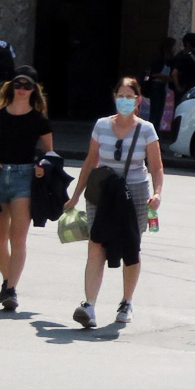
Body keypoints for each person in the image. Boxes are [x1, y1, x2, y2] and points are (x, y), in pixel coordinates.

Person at [63, 76, 163, 329]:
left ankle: (126, 302)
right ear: (114, 97)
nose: (125, 101)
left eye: (130, 97)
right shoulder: (101, 125)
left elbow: (156, 167)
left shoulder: (146, 130)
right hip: (103, 191)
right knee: (96, 243)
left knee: (131, 245)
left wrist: (158, 193)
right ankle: (89, 305)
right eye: (121, 96)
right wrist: (76, 195)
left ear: (138, 100)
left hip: (135, 193)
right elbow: (90, 162)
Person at [0, 67, 54, 312]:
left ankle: (10, 290)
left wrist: (42, 166)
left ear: (34, 90)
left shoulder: (39, 120)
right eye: (18, 84)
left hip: (25, 178)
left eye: (27, 86)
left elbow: (49, 153)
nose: (21, 89)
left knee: (17, 238)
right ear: (11, 87)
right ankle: (8, 280)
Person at [142, 37, 176, 125]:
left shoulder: (169, 59)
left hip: (162, 86)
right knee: (155, 111)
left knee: (158, 112)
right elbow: (154, 74)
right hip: (156, 86)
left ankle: (155, 129)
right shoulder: (159, 58)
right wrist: (166, 77)